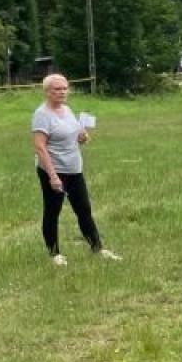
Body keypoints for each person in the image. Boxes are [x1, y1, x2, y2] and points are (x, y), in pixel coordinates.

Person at [30, 73, 119, 265]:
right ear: (47, 92)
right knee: (53, 211)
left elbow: (75, 135)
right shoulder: (42, 115)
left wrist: (82, 137)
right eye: (57, 89)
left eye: (64, 88)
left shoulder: (67, 110)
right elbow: (40, 147)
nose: (62, 92)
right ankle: (55, 254)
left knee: (84, 209)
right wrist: (53, 176)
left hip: (74, 169)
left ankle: (98, 248)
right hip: (53, 170)